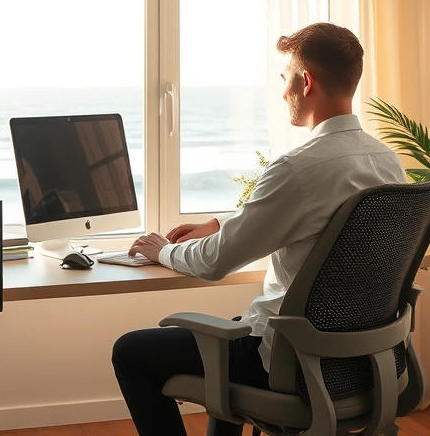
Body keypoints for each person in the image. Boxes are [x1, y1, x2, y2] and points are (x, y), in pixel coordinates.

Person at [111, 22, 408, 436]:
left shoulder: (298, 168)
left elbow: (214, 262)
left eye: (285, 78)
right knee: (232, 334)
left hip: (293, 364)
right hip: (362, 361)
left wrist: (161, 250)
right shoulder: (385, 161)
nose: (282, 89)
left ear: (306, 82)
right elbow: (317, 217)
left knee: (130, 352)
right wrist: (220, 223)